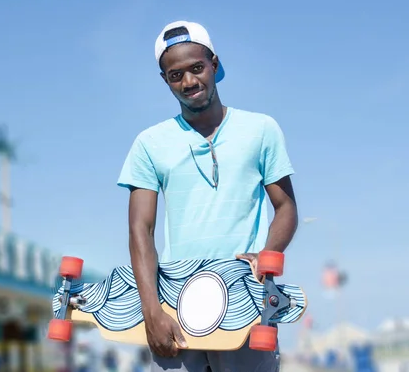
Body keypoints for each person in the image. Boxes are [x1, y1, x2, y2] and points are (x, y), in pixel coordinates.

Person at [117, 20, 298, 372]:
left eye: (197, 68)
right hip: (175, 308)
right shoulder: (149, 143)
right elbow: (141, 230)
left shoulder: (260, 129)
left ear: (214, 64)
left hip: (245, 304)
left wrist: (267, 255)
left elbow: (286, 207)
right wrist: (151, 311)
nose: (188, 82)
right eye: (175, 75)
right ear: (165, 80)